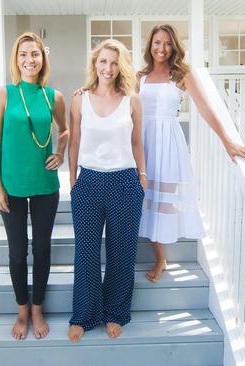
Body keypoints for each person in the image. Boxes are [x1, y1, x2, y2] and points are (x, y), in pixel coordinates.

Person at [137, 24, 245, 282]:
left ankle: (160, 260)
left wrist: (227, 141)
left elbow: (206, 108)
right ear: (150, 45)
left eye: (167, 43)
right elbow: (119, 101)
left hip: (168, 144)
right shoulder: (139, 76)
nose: (161, 48)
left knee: (163, 203)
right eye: (157, 42)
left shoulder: (182, 74)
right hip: (143, 143)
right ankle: (160, 256)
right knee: (143, 200)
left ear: (174, 46)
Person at [0, 32, 68, 340]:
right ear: (16, 59)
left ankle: (37, 307)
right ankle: (22, 308)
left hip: (45, 184)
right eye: (23, 54)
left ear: (42, 58)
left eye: (34, 54)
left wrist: (60, 153)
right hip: (12, 185)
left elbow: (66, 129)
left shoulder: (53, 96)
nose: (29, 59)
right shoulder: (3, 94)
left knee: (42, 249)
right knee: (18, 251)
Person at [67, 39, 147, 342]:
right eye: (103, 62)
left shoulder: (132, 100)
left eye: (114, 63)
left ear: (121, 66)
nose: (108, 68)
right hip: (88, 183)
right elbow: (74, 142)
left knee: (122, 252)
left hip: (125, 182)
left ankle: (115, 312)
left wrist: (142, 176)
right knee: (86, 252)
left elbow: (138, 141)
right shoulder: (79, 99)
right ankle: (85, 316)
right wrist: (72, 182)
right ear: (94, 64)